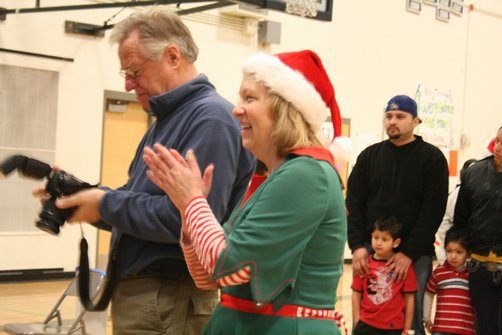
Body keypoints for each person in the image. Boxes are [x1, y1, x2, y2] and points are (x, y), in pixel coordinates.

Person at [43, 7, 255, 335]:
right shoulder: (171, 119)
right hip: (155, 298)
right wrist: (82, 197)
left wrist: (104, 203)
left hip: (168, 297)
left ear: (172, 56)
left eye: (134, 71)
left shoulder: (210, 119)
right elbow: (141, 204)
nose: (128, 84)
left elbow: (188, 220)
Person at [143, 50, 347, 334]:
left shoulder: (307, 174)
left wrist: (192, 201)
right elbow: (208, 277)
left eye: (249, 98)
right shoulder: (276, 178)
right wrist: (187, 210)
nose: (237, 109)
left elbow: (229, 263)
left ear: (285, 107)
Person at [346, 94, 449, 335]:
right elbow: (354, 203)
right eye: (389, 116)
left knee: (408, 324)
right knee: (366, 321)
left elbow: (433, 211)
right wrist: (357, 247)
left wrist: (407, 253)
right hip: (371, 252)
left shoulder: (431, 158)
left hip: (413, 257)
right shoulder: (369, 156)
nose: (393, 121)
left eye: (400, 116)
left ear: (415, 121)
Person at [454, 126, 502, 335]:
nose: (498, 147)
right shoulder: (475, 172)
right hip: (480, 265)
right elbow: (461, 219)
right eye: (498, 141)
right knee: (484, 325)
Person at [352, 216, 417, 335]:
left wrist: (407, 330)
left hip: (393, 328)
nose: (378, 243)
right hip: (365, 325)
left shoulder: (403, 267)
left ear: (396, 243)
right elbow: (356, 293)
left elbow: (410, 299)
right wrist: (356, 320)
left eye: (384, 239)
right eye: (376, 237)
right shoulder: (364, 264)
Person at [423, 225, 475, 335]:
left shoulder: (473, 273)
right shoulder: (439, 272)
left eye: (459, 252)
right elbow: (429, 293)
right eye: (449, 251)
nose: (453, 256)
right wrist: (426, 318)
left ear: (468, 254)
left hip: (466, 330)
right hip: (440, 329)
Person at [435, 159, 476, 265]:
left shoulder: (482, 193)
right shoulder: (455, 195)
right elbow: (444, 223)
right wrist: (452, 248)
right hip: (456, 247)